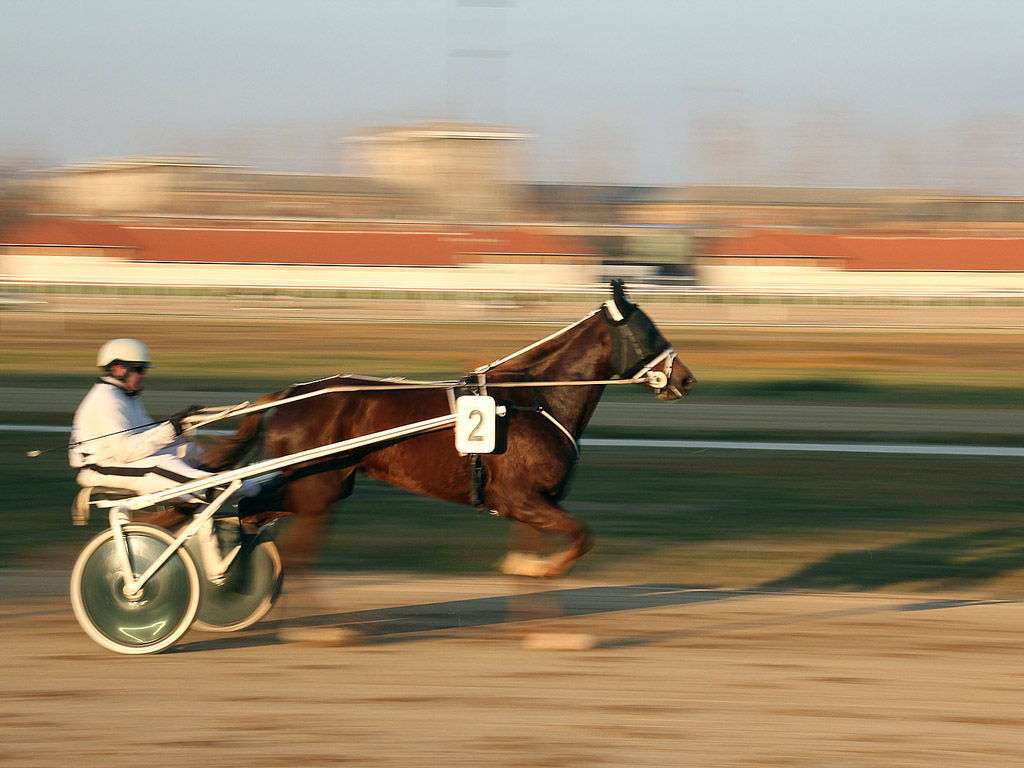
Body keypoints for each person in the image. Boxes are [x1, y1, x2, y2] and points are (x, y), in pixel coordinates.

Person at [70, 338, 259, 505]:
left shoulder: (126, 396)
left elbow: (147, 436)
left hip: (121, 459)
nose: (144, 375)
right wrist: (170, 430)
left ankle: (244, 478)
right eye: (139, 369)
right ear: (118, 369)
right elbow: (125, 451)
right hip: (102, 468)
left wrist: (180, 426)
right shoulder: (107, 399)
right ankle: (223, 489)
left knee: (189, 450)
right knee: (160, 467)